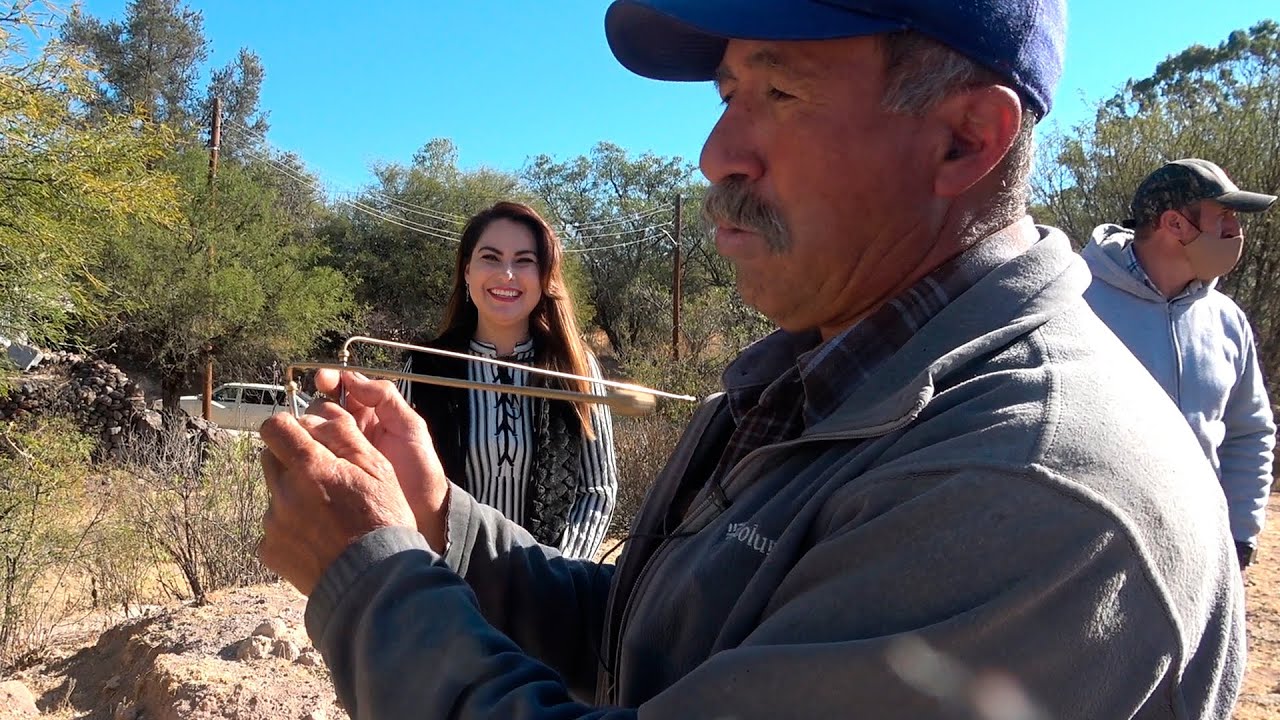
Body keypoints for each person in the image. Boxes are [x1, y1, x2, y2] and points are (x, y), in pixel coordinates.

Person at [258, 1, 1247, 717]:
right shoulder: (830, 377)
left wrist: (372, 580)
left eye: (777, 90)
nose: (715, 152)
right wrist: (440, 525)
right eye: (728, 92)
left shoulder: (1027, 489)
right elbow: (667, 646)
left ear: (963, 139)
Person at [1082, 159, 1277, 571]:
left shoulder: (1227, 319)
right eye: (1223, 216)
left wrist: (1240, 535)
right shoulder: (1076, 301)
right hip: (1090, 557)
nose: (1235, 231)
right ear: (1174, 224)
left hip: (1200, 554)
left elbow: (1249, 431)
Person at [396, 201, 618, 560]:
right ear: (467, 271)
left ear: (545, 278)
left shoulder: (575, 368)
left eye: (524, 260)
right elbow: (397, 481)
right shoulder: (424, 367)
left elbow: (598, 489)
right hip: (446, 591)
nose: (507, 274)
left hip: (547, 597)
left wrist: (555, 573)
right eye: (491, 257)